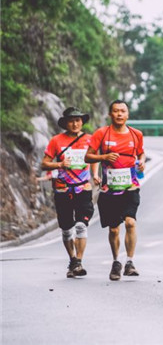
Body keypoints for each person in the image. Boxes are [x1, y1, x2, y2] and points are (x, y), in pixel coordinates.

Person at [85, 100, 145, 281]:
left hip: (130, 187)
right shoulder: (102, 134)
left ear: (128, 114)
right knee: (114, 230)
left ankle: (130, 261)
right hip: (109, 190)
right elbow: (88, 156)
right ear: (110, 114)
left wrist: (141, 162)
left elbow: (141, 153)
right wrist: (103, 156)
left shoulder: (136, 134)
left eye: (123, 111)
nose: (119, 114)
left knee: (130, 223)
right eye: (116, 111)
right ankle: (116, 261)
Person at [41, 107, 100, 278]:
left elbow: (94, 158)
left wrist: (95, 174)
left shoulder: (90, 140)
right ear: (66, 123)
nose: (75, 123)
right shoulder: (56, 141)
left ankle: (78, 261)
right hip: (62, 189)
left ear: (82, 122)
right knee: (67, 229)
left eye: (78, 120)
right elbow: (45, 163)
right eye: (71, 120)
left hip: (83, 187)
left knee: (81, 225)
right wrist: (59, 165)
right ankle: (72, 259)